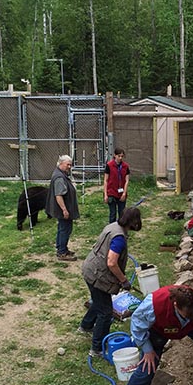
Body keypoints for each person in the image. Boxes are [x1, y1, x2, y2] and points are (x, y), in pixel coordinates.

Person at [78, 206, 143, 358]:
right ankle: (97, 349)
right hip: (98, 276)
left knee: (99, 302)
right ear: (134, 221)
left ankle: (86, 326)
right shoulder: (119, 238)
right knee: (105, 312)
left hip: (90, 268)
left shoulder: (113, 226)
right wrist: (123, 280)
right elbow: (112, 263)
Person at [45, 154, 80, 261]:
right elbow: (59, 195)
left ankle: (62, 248)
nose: (69, 167)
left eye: (70, 165)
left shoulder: (61, 174)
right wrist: (64, 210)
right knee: (65, 229)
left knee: (62, 228)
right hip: (63, 209)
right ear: (61, 163)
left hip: (64, 208)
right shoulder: (59, 178)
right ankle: (62, 253)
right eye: (67, 165)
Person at [104, 148, 131, 223]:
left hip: (121, 193)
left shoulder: (125, 166)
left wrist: (124, 193)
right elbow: (105, 180)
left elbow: (126, 181)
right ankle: (112, 228)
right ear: (115, 155)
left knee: (122, 214)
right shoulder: (109, 165)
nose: (120, 158)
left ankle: (121, 228)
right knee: (112, 214)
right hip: (111, 192)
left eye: (122, 156)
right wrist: (105, 195)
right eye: (119, 156)